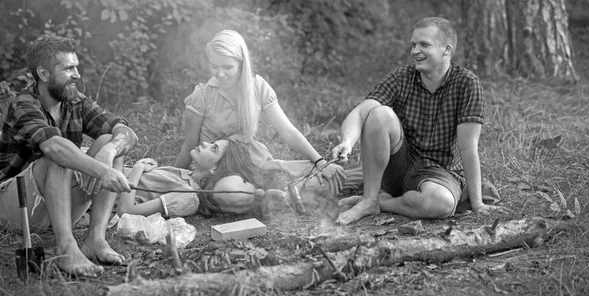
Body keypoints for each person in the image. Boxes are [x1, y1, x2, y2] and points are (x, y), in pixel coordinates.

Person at [331, 17, 509, 226]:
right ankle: (369, 199)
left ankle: (382, 203)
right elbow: (361, 113)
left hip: (440, 173)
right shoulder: (401, 77)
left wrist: (477, 203)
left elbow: (469, 147)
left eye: (424, 44)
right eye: (413, 44)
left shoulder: (467, 84)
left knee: (441, 203)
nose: (415, 50)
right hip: (399, 165)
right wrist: (348, 142)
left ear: (446, 49)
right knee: (379, 114)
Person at [0, 35, 138, 277]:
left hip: (58, 204)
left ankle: (95, 239)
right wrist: (102, 171)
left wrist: (110, 150)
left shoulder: (74, 100)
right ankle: (66, 248)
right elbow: (54, 148)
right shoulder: (22, 103)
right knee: (59, 152)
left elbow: (126, 132)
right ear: (43, 74)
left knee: (108, 141)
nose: (77, 75)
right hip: (16, 206)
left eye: (77, 66)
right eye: (69, 68)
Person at [174, 29, 346, 190]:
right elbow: (189, 145)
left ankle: (365, 181)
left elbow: (287, 131)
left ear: (242, 64)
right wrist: (173, 181)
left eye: (227, 67)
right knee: (232, 190)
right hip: (217, 171)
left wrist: (319, 161)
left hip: (252, 164)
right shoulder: (202, 96)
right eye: (214, 66)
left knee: (317, 171)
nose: (220, 74)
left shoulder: (257, 87)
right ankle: (276, 195)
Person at [118, 135, 362, 217]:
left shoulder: (188, 197)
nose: (204, 142)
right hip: (110, 174)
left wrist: (138, 169)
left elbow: (125, 211)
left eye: (213, 147)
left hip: (103, 187)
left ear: (215, 169)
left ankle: (371, 179)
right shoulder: (185, 176)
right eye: (212, 143)